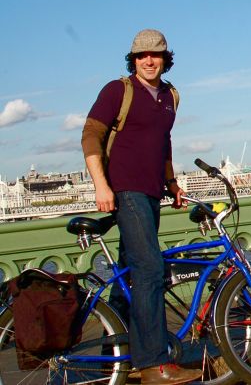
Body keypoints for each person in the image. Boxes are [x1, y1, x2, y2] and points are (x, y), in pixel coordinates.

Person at [80, 30, 201, 385]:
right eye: (141, 55)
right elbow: (90, 134)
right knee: (150, 269)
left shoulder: (170, 95)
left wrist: (173, 183)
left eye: (156, 55)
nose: (149, 60)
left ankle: (116, 362)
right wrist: (102, 185)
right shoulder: (118, 90)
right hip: (126, 191)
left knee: (128, 278)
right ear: (133, 60)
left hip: (152, 194)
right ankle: (154, 364)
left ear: (166, 58)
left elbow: (163, 143)